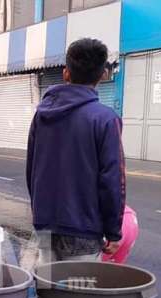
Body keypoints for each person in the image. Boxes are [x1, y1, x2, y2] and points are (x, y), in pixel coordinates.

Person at [26, 37, 125, 264]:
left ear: (65, 74)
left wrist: (40, 214)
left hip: (45, 223)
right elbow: (112, 179)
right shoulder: (106, 119)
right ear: (103, 75)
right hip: (84, 227)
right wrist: (113, 231)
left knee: (48, 291)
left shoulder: (41, 115)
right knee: (80, 294)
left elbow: (31, 170)